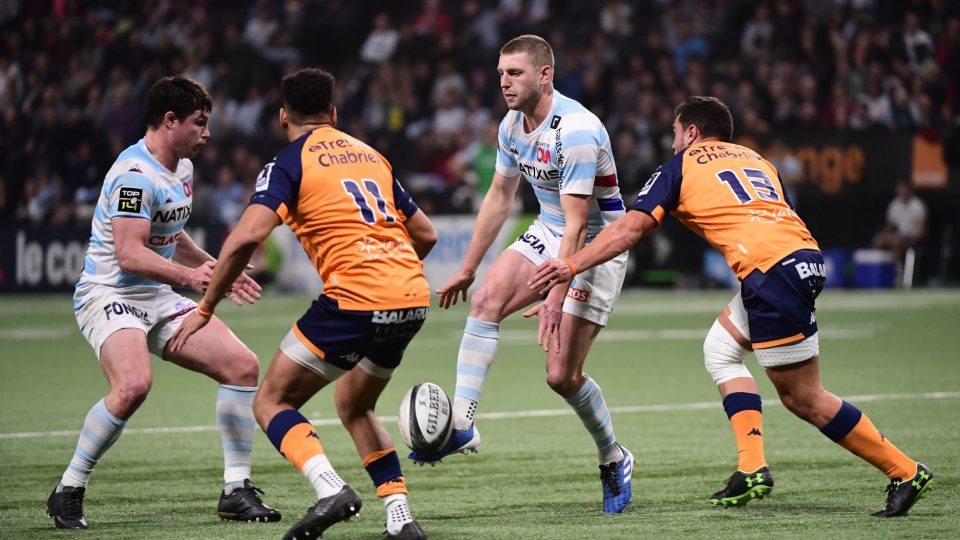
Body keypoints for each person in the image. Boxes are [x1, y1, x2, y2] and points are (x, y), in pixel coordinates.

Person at [529, 96, 935, 517]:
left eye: (674, 133)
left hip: (770, 273)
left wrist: (570, 264)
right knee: (721, 351)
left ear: (691, 132)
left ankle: (904, 470)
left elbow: (632, 228)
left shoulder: (681, 164)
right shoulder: (757, 160)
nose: (671, 143)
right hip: (801, 259)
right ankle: (751, 466)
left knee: (804, 398)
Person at [170, 68, 437, 540]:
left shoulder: (288, 162)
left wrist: (206, 307)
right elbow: (426, 234)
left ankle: (330, 488)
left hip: (355, 299)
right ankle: (400, 518)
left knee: (272, 400)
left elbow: (244, 238)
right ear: (334, 114)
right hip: (411, 297)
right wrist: (390, 274)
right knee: (355, 405)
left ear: (281, 117)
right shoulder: (371, 155)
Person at [414, 34, 634, 515]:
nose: (504, 83)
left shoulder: (576, 129)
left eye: (514, 73)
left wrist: (558, 295)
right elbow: (498, 197)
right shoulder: (512, 125)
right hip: (551, 227)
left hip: (599, 241)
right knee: (485, 303)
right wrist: (469, 268)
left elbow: (580, 224)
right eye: (500, 74)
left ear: (544, 74)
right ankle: (463, 425)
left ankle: (613, 457)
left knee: (561, 376)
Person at [48, 76, 280, 529]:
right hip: (109, 293)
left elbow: (172, 234)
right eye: (200, 123)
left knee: (243, 366)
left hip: (154, 293)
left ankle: (236, 491)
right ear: (169, 120)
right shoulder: (133, 176)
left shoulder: (182, 168)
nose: (207, 133)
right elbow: (129, 252)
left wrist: (215, 268)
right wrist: (191, 278)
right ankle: (69, 489)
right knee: (133, 386)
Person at [873, 180, 927, 283]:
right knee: (879, 241)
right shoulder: (894, 204)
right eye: (900, 191)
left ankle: (898, 274)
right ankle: (880, 274)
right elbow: (889, 227)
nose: (902, 193)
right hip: (898, 236)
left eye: (904, 190)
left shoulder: (918, 206)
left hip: (913, 238)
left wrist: (909, 239)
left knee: (897, 243)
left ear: (909, 191)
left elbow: (921, 231)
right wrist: (884, 235)